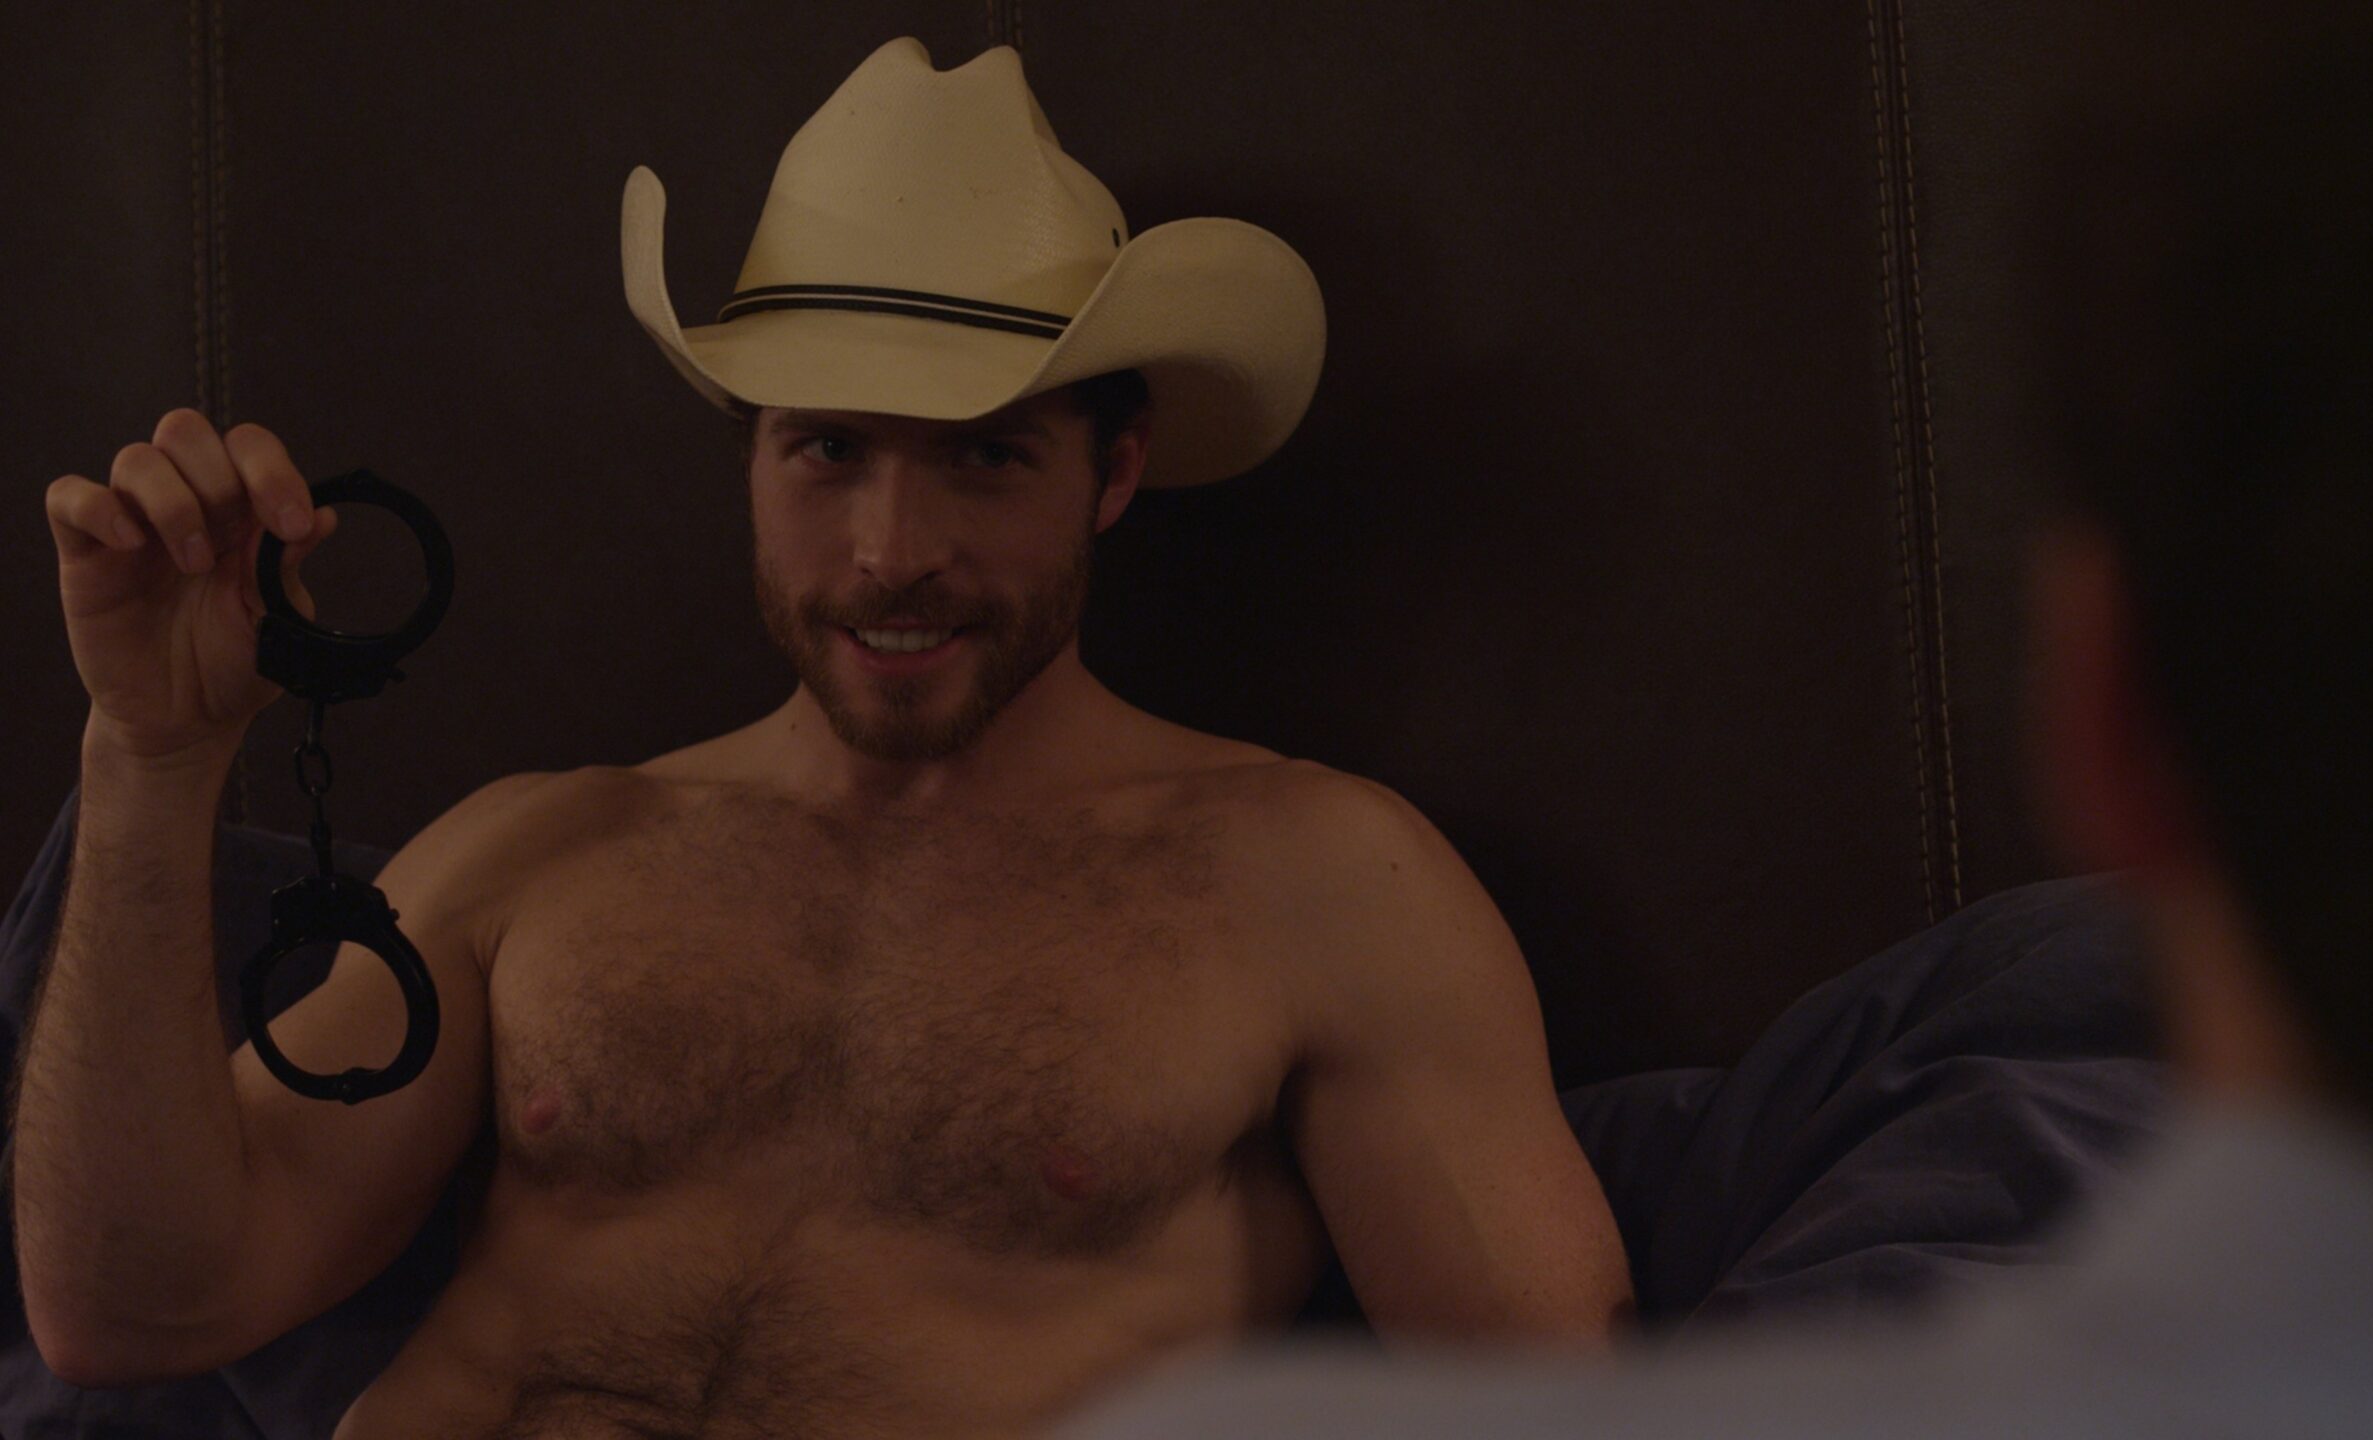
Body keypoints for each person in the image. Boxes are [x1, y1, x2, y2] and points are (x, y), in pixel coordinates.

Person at [12, 37, 1631, 1439]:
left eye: (985, 457)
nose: (889, 551)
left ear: (1116, 470)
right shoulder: (540, 850)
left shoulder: (1321, 882)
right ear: (751, 457)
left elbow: (1576, 1412)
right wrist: (150, 759)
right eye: (829, 450)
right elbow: (133, 1311)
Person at [1058, 2, 2373, 1436]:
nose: (924, 545)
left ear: (2105, 725)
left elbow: (1554, 1370)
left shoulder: (1309, 886)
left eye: (988, 456)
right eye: (882, 446)